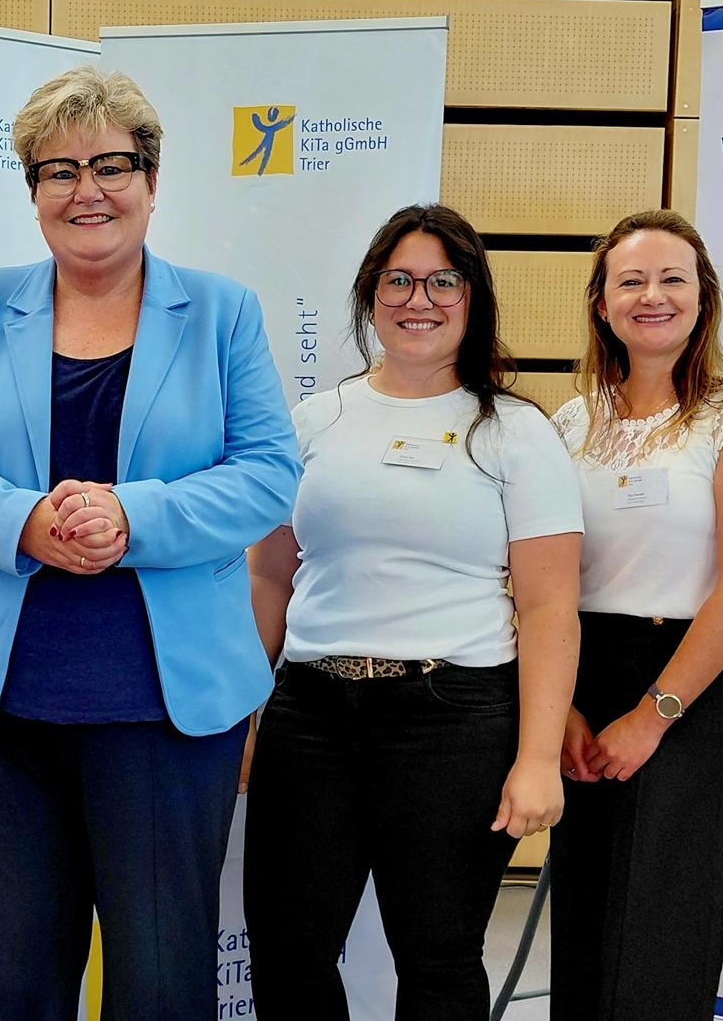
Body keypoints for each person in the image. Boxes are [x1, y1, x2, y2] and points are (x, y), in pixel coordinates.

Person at [0, 65, 299, 1020]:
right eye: (57, 170)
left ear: (152, 181)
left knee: (159, 984)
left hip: (167, 707)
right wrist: (23, 523)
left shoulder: (222, 311)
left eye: (112, 165)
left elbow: (270, 474)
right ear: (31, 193)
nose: (87, 191)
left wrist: (133, 518)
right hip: (3, 704)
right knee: (10, 983)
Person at [242, 203, 582, 1019]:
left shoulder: (515, 433)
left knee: (437, 960)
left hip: (452, 720)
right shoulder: (315, 421)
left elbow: (547, 609)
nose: (418, 298)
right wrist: (250, 715)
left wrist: (537, 759)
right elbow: (269, 582)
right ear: (370, 293)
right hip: (310, 713)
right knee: (288, 951)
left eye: (442, 281)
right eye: (398, 279)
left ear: (472, 299)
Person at [547, 209, 723, 1020]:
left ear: (702, 296)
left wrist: (653, 716)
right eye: (632, 281)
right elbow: (538, 580)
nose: (653, 295)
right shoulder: (571, 421)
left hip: (685, 677)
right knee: (584, 912)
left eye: (672, 278)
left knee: (660, 924)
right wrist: (563, 707)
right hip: (579, 670)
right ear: (602, 303)